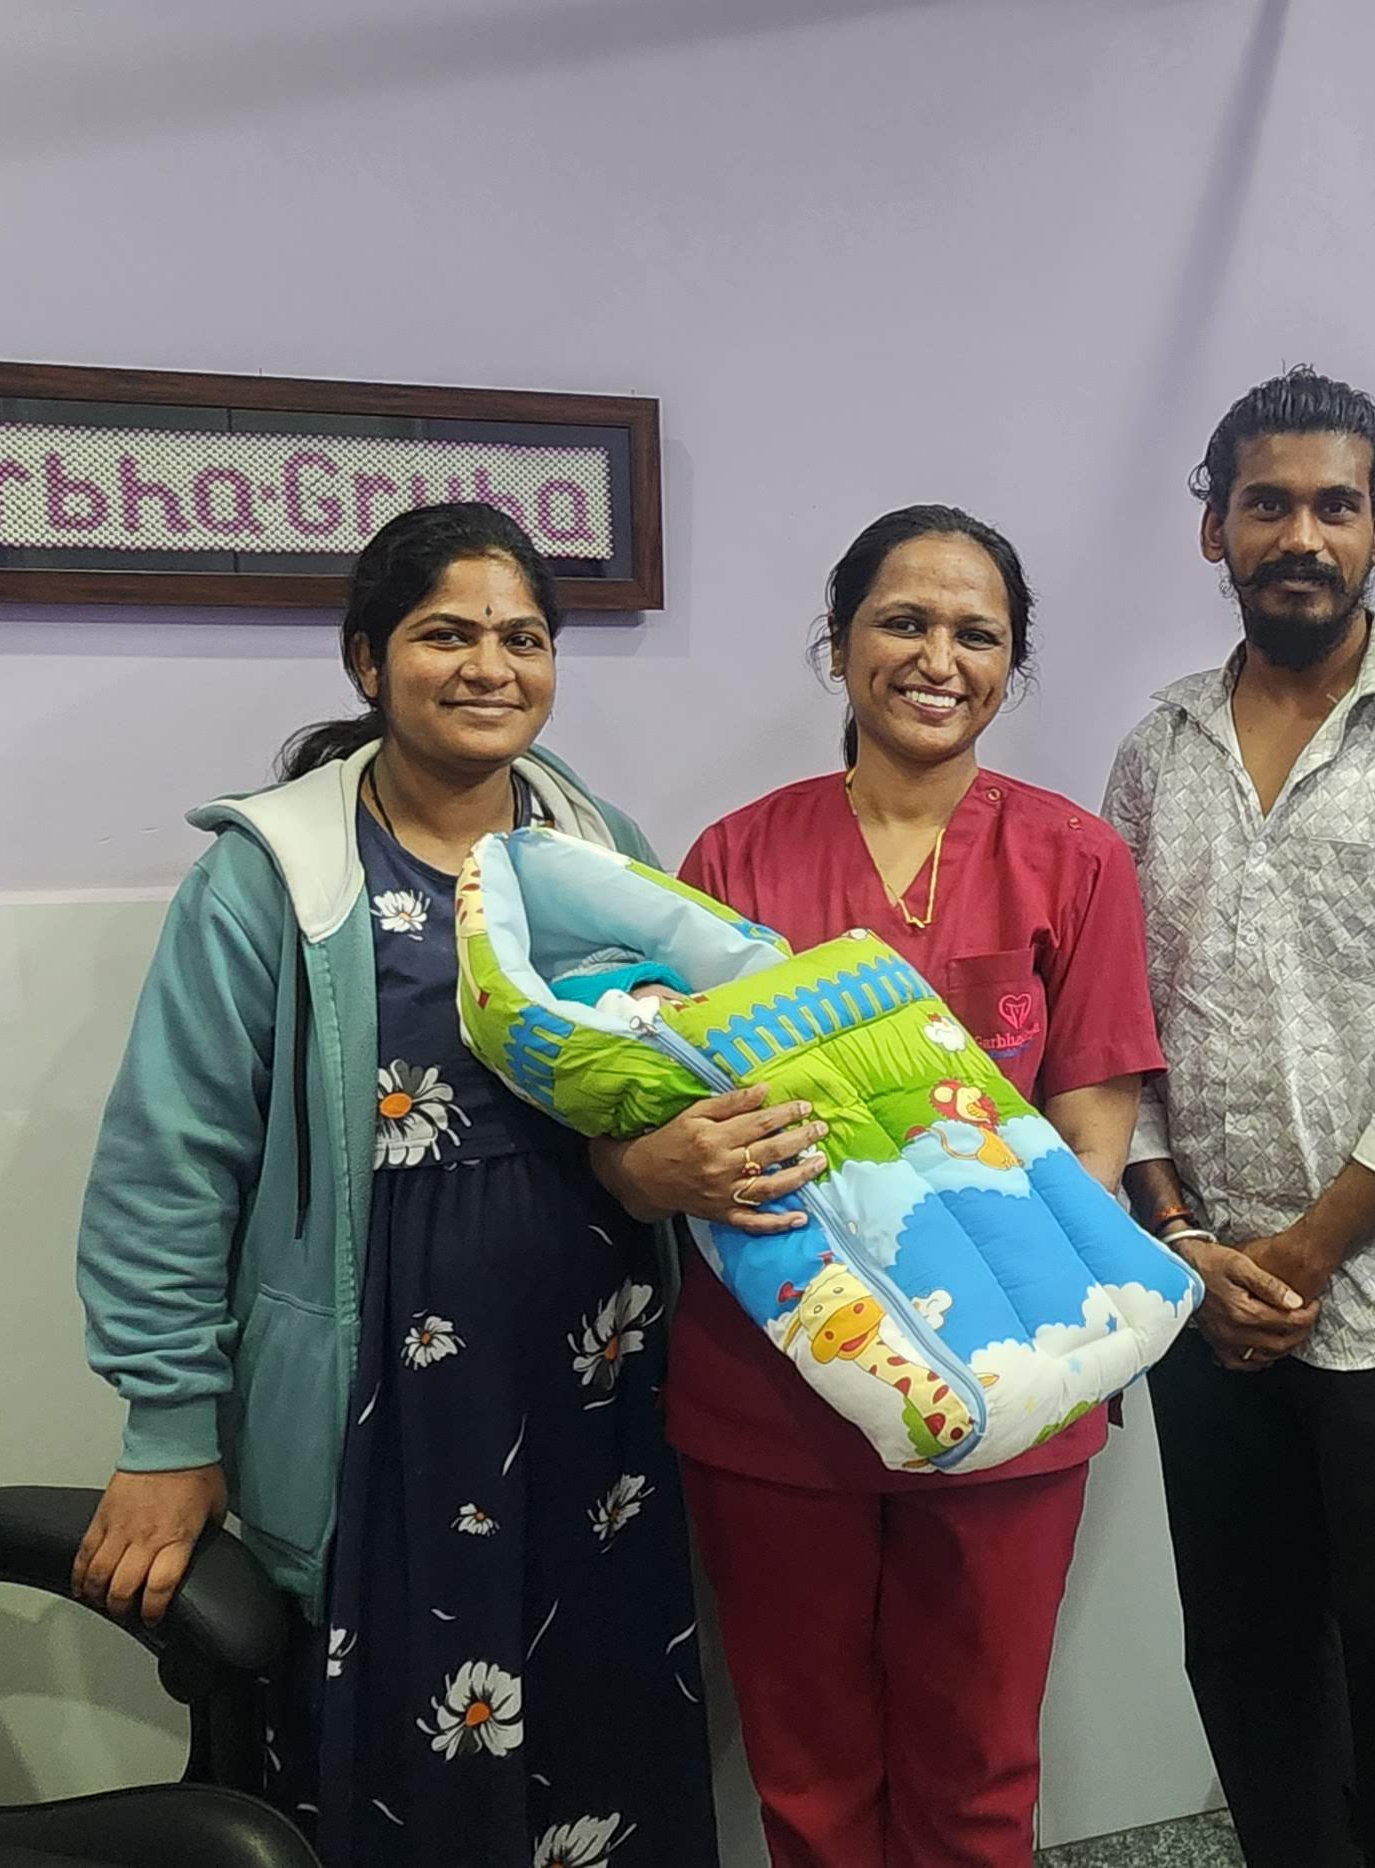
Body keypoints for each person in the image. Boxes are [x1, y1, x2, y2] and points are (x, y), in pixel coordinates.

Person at [67, 503, 808, 1868]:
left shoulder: (597, 842)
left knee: (603, 1719)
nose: (489, 667)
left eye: (522, 639)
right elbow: (170, 1160)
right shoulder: (269, 878)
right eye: (443, 635)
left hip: (599, 1370)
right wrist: (169, 1427)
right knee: (412, 1756)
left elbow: (659, 1073)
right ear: (367, 663)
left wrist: (673, 1161)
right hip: (387, 1397)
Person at [669, 505, 1170, 1867]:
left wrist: (1021, 1345)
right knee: (809, 1764)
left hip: (1008, 1375)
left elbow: (1091, 1146)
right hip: (776, 1382)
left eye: (975, 631)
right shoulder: (733, 857)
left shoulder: (1076, 860)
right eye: (901, 620)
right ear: (838, 645)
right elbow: (686, 1105)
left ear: (1010, 664)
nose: (935, 655)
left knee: (978, 1764)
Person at [1107, 371, 1375, 1868]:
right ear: (1215, 530)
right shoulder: (1155, 752)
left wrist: (1297, 1256)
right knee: (1243, 1663)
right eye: (1267, 504)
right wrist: (1185, 1239)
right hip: (1195, 1300)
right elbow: (1122, 1032)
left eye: (1334, 507)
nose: (1301, 534)